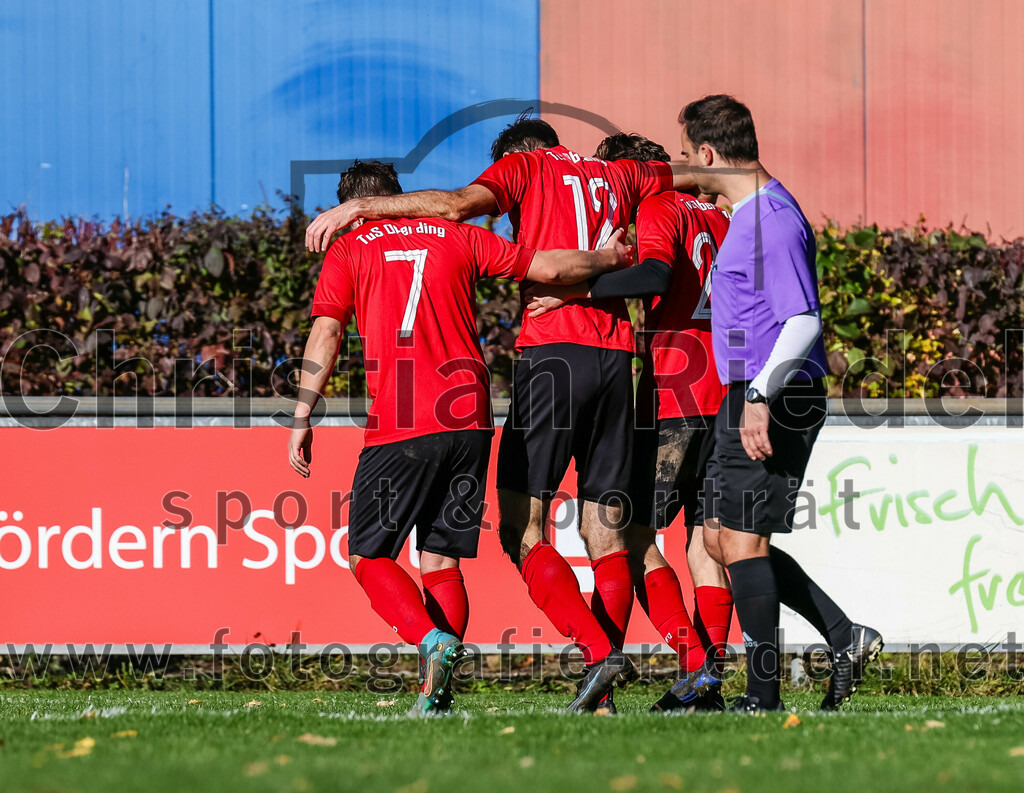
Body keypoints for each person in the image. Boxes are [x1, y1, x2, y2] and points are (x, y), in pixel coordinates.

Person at [306, 114, 698, 713]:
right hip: (591, 371)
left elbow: (454, 207)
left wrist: (302, 412)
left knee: (496, 532)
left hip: (514, 372)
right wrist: (611, 261)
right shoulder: (612, 176)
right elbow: (697, 176)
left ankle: (592, 656)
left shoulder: (516, 173)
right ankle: (650, 676)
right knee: (606, 533)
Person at [668, 95, 883, 712]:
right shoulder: (745, 211)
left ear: (708, 153)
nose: (687, 165)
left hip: (775, 394)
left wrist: (760, 395)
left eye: (689, 155)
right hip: (749, 390)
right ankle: (846, 637)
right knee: (717, 539)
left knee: (742, 543)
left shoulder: (772, 221)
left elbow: (803, 321)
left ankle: (761, 697)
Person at [526, 133, 733, 712]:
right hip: (727, 390)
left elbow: (655, 277)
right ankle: (705, 684)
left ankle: (671, 670)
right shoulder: (720, 216)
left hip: (674, 391)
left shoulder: (658, 205)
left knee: (634, 538)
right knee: (704, 540)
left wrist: (578, 290)